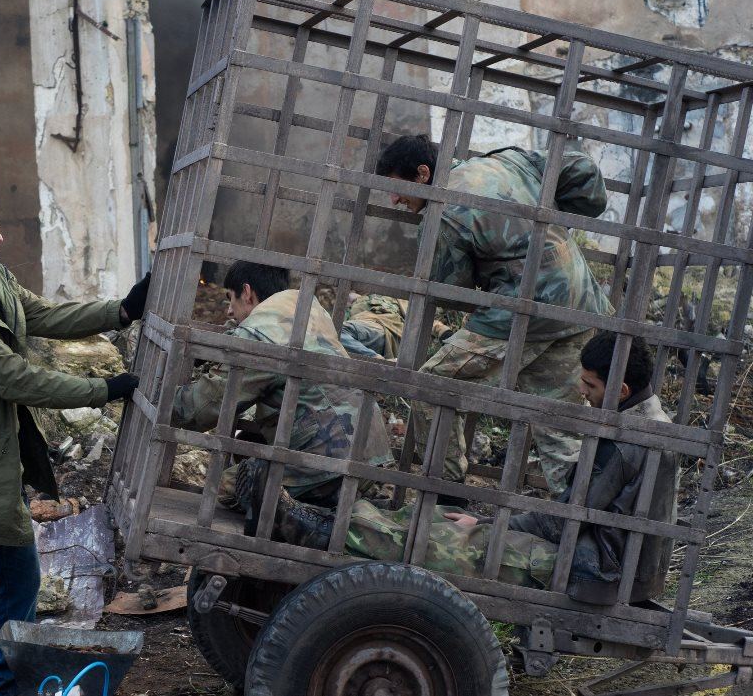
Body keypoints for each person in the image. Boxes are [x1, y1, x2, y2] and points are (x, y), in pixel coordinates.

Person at [0, 192, 149, 696]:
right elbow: (12, 377)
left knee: (20, 580)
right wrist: (102, 389)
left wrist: (121, 311)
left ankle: (13, 685)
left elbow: (44, 315)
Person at [277, 331, 678, 603]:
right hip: (603, 556)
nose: (582, 392)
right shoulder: (647, 420)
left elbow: (562, 522)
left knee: (445, 541)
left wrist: (488, 524)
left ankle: (322, 531)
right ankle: (333, 521)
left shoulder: (626, 442)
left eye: (590, 386)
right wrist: (486, 521)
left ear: (621, 390)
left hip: (596, 569)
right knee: (439, 519)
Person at [380, 135, 613, 496]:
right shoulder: (504, 160)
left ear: (423, 174)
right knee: (558, 423)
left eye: (397, 188)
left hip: (523, 311)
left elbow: (451, 288)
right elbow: (582, 170)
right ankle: (579, 509)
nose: (394, 200)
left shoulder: (443, 212)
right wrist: (552, 222)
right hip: (581, 300)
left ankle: (447, 494)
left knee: (431, 387)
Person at [171, 261, 392, 522]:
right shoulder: (307, 308)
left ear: (247, 292)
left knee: (227, 486)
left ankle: (320, 520)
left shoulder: (259, 335)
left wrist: (155, 394)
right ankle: (343, 503)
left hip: (329, 460)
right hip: (370, 449)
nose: (229, 310)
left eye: (230, 298)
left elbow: (199, 409)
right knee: (251, 446)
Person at [340, 291, 452, 359]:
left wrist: (443, 331)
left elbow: (419, 318)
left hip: (381, 327)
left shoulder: (387, 298)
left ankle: (375, 359)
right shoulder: (349, 311)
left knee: (338, 331)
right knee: (335, 337)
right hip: (361, 338)